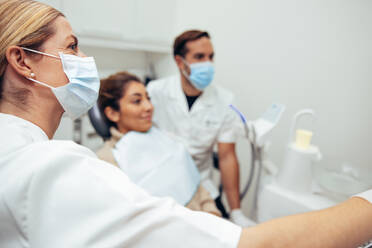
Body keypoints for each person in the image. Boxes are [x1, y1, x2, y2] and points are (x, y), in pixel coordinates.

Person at [1, 1, 371, 247]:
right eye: (72, 47)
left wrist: (234, 210)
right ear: (23, 61)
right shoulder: (59, 167)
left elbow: (227, 157)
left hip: (199, 190)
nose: (85, 59)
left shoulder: (18, 149)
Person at [147, 30, 252, 226]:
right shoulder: (155, 92)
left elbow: (227, 157)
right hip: (160, 182)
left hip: (201, 184)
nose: (208, 64)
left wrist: (236, 212)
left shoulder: (225, 101)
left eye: (210, 57)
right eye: (199, 57)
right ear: (180, 62)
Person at [96, 71, 221, 216]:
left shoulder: (165, 138)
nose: (149, 106)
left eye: (148, 98)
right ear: (113, 113)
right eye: (137, 101)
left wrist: (212, 215)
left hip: (206, 222)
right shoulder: (108, 160)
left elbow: (198, 187)